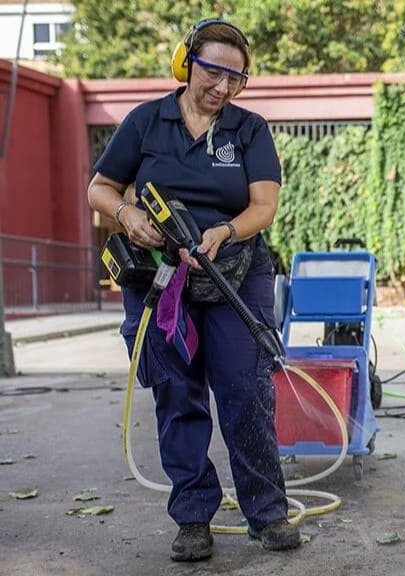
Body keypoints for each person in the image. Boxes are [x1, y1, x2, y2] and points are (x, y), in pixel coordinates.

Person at [86, 19, 300, 561]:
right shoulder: (145, 122)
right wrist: (127, 214)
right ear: (186, 64)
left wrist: (225, 231)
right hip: (162, 278)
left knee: (245, 389)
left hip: (234, 268)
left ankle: (267, 512)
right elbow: (99, 188)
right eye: (213, 72)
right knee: (176, 392)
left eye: (236, 78)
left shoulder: (248, 130)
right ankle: (193, 516)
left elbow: (263, 205)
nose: (223, 88)